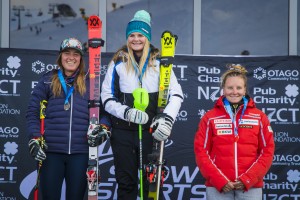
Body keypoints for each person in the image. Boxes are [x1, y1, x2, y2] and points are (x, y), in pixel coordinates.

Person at [101, 10, 184, 199]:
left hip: (151, 132)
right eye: (131, 35)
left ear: (147, 37)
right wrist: (126, 112)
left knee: (151, 184)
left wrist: (166, 119)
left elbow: (176, 94)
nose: (135, 39)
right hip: (123, 132)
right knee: (126, 183)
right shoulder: (118, 61)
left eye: (140, 35)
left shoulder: (160, 62)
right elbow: (106, 97)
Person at [26, 37, 111, 200]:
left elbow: (106, 113)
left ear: (81, 58)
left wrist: (104, 128)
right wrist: (35, 138)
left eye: (76, 54)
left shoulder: (91, 84)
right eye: (67, 53)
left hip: (81, 153)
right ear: (60, 56)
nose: (71, 57)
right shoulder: (47, 80)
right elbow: (32, 112)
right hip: (51, 153)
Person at [194, 64, 275, 200]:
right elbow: (201, 151)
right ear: (223, 89)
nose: (234, 91)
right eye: (230, 88)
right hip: (218, 187)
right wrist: (219, 180)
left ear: (245, 90)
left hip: (250, 187)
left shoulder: (259, 117)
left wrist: (248, 179)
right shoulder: (210, 117)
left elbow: (267, 151)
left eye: (239, 88)